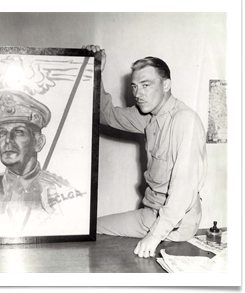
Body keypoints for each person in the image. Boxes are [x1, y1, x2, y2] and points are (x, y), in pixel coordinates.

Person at [84, 45, 207, 258]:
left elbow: (184, 189)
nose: (138, 94)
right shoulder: (147, 117)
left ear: (166, 84)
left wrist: (154, 235)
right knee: (89, 228)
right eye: (134, 87)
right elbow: (106, 115)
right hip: (150, 214)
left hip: (174, 224)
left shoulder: (184, 121)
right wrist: (96, 69)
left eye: (146, 85)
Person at [0, 89, 88, 236]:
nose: (7, 140)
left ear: (38, 142)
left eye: (18, 132)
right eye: (2, 133)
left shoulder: (61, 191)